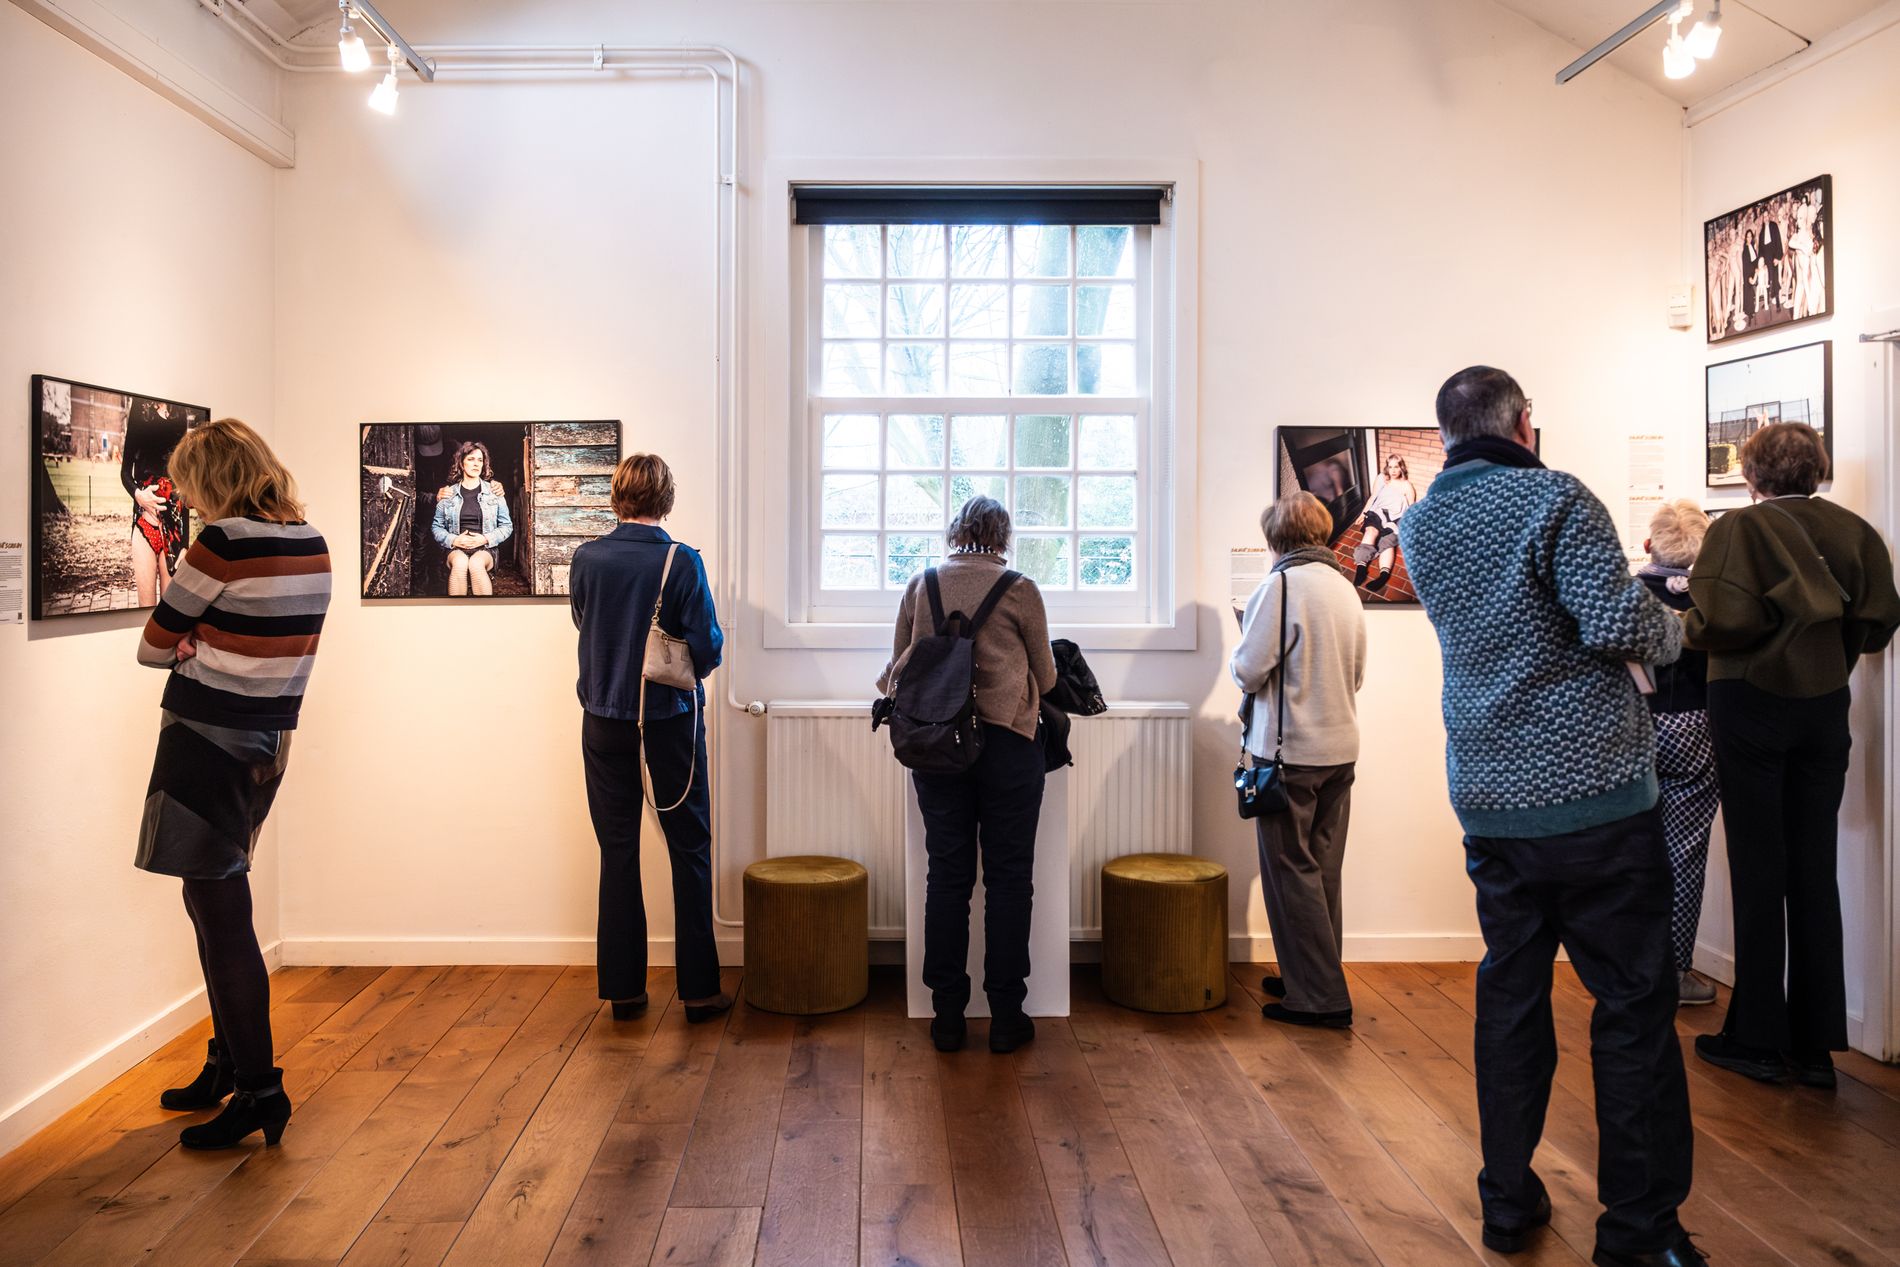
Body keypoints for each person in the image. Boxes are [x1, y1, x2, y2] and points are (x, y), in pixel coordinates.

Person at [1399, 368, 1698, 1267]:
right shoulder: (1555, 494)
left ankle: (1505, 1199)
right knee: (1634, 1006)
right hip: (1596, 798)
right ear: (1526, 423)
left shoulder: (1421, 521)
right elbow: (1615, 621)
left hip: (1491, 798)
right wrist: (1677, 627)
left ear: (1447, 433)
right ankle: (1640, 1231)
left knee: (1511, 996)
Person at [1684, 423, 1900, 1088]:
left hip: (1748, 700)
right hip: (1822, 703)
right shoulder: (1854, 530)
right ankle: (1813, 1046)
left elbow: (1720, 621)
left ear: (1751, 475)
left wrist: (1698, 627)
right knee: (1813, 867)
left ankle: (1754, 1036)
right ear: (1816, 469)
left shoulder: (1736, 531)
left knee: (1757, 867)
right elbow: (1879, 621)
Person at [136, 418, 330, 1150]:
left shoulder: (221, 543)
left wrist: (192, 640)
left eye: (190, 480)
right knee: (209, 899)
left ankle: (259, 1088)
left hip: (205, 740)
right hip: (266, 740)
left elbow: (155, 644)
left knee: (222, 914)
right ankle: (226, 1060)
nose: (183, 494)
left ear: (213, 477)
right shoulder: (310, 540)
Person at [879, 495, 1056, 1055]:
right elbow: (1047, 678)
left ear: (956, 531)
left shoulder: (920, 583)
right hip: (1007, 745)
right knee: (1009, 878)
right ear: (1003, 536)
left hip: (937, 745)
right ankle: (1007, 1015)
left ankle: (947, 1016)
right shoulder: (1021, 589)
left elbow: (896, 669)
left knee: (947, 877)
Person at [570, 453, 730, 1024]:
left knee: (618, 851)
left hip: (603, 721)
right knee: (688, 847)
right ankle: (700, 992)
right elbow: (707, 650)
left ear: (617, 497)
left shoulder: (586, 558)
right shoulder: (680, 561)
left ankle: (623, 992)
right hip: (667, 720)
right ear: (665, 498)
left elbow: (584, 623)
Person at [1231, 491, 1367, 1027]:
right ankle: (1309, 975)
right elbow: (1356, 674)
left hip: (1290, 757)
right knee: (1322, 871)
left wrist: (1245, 628)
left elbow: (1247, 671)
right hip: (1340, 750)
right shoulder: (1343, 587)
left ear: (1276, 539)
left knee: (1291, 873)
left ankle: (1319, 998)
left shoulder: (1281, 585)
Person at [1636, 501, 1720, 1007]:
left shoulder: (1624, 594)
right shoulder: (1714, 600)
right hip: (1693, 724)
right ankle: (1674, 971)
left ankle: (1626, 969)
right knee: (1684, 853)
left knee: (1628, 848)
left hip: (1632, 728)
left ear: (1649, 544)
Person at [121, 397, 194, 606]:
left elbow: (183, 484)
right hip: (146, 524)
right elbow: (125, 472)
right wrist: (139, 495)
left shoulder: (179, 411)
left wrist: (185, 545)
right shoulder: (140, 407)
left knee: (169, 611)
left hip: (174, 529)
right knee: (145, 611)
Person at [432, 440, 512, 597]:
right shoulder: (448, 494)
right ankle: (458, 615)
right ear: (461, 464)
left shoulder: (494, 492)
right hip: (456, 548)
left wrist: (484, 539)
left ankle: (484, 615)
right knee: (460, 563)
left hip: (485, 548)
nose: (476, 464)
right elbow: (436, 527)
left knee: (475, 564)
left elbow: (507, 526)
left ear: (484, 465)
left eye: (480, 460)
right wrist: (453, 540)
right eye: (470, 459)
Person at [1351, 453, 1416, 592]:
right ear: (1387, 467)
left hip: (1396, 518)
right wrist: (1363, 513)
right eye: (1390, 466)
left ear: (1401, 468)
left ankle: (1383, 576)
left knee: (1387, 543)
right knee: (1371, 531)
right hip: (1378, 512)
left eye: (1396, 467)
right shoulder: (1381, 479)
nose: (1393, 470)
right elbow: (1373, 497)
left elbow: (1411, 508)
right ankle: (1361, 568)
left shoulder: (1406, 485)